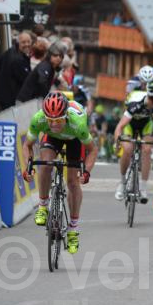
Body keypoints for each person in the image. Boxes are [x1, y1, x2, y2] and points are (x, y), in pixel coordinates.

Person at [21, 92, 97, 255]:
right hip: (52, 139)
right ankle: (42, 206)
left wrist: (87, 172)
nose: (54, 124)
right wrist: (27, 166)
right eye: (51, 120)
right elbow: (27, 145)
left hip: (74, 140)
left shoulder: (78, 124)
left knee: (72, 182)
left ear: (66, 116)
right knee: (46, 165)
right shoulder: (39, 119)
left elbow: (92, 150)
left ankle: (73, 229)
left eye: (58, 120)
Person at [112, 80, 153, 203]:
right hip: (130, 125)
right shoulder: (135, 104)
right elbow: (120, 127)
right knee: (127, 149)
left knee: (147, 149)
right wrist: (117, 143)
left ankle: (143, 188)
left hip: (146, 125)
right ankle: (122, 183)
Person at [0, 31, 32, 113]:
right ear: (18, 42)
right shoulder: (18, 60)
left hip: (4, 95)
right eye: (23, 42)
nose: (27, 44)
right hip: (12, 97)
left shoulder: (10, 51)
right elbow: (27, 81)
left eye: (28, 42)